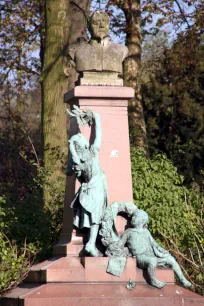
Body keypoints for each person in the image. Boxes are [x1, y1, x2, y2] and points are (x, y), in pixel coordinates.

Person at [67, 106, 108, 257]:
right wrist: (97, 118)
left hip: (87, 190)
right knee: (96, 217)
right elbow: (98, 135)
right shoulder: (92, 153)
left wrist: (71, 147)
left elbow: (69, 170)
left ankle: (90, 243)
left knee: (93, 217)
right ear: (84, 145)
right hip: (96, 188)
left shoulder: (77, 164)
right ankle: (90, 243)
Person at [119, 209, 192, 288]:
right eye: (132, 217)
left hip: (152, 254)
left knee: (171, 259)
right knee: (152, 261)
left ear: (142, 221)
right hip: (141, 258)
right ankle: (153, 281)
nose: (132, 218)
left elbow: (154, 244)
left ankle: (182, 279)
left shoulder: (146, 232)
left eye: (135, 217)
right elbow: (120, 244)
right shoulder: (129, 232)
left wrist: (162, 250)